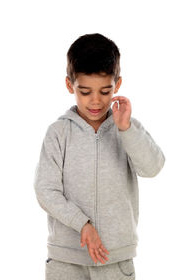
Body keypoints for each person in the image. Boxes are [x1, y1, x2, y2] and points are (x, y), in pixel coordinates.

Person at [34, 33, 166, 280]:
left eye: (105, 91)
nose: (95, 101)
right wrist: (82, 224)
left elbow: (153, 167)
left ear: (117, 85)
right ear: (69, 85)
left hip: (115, 260)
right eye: (85, 92)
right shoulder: (58, 132)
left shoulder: (126, 128)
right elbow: (45, 190)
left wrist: (126, 129)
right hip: (66, 260)